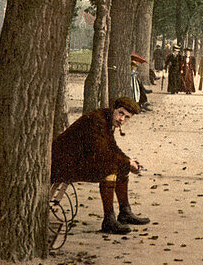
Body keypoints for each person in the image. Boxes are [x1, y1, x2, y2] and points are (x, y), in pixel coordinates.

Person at [50, 97, 150, 235]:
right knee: (110, 168)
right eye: (120, 113)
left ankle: (125, 212)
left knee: (119, 165)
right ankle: (109, 220)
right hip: (61, 164)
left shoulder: (107, 119)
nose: (122, 119)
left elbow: (112, 147)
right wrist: (127, 162)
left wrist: (128, 161)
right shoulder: (96, 120)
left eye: (127, 117)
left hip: (73, 161)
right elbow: (102, 152)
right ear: (114, 109)